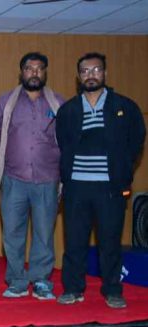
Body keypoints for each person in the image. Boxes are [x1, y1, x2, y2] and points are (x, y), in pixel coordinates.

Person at [56, 52, 145, 309]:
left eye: (96, 70)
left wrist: (122, 169)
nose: (91, 75)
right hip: (76, 188)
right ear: (79, 76)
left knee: (110, 242)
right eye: (85, 71)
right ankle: (73, 289)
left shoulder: (124, 107)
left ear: (105, 73)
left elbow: (136, 140)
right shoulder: (69, 110)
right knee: (75, 242)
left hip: (110, 188)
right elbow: (63, 143)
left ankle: (113, 291)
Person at [0, 52, 65, 301]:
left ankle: (41, 280)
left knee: (44, 233)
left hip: (48, 178)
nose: (34, 73)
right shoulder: (6, 102)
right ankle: (17, 281)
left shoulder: (58, 103)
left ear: (45, 72)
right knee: (12, 233)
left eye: (39, 68)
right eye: (29, 68)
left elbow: (68, 141)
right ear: (21, 72)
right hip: (14, 179)